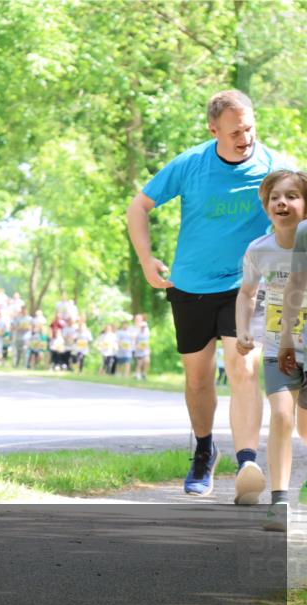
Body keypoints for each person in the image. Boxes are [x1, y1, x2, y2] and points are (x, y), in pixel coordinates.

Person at [127, 89, 295, 498]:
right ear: (214, 129)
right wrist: (147, 260)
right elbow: (139, 207)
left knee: (245, 369)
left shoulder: (273, 167)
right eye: (235, 131)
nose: (245, 137)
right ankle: (204, 449)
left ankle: (247, 465)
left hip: (247, 285)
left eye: (250, 127)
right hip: (191, 285)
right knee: (198, 380)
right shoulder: (191, 164)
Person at [238, 170, 307, 526]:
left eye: (293, 195)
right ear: (266, 207)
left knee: (305, 427)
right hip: (276, 346)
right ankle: (280, 500)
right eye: (275, 197)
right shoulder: (259, 250)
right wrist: (242, 331)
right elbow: (246, 294)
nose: (283, 202)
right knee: (281, 415)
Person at [133, 315, 151, 380]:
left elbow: (148, 339)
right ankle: (137, 374)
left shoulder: (146, 329)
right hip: (138, 348)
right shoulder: (135, 329)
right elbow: (134, 339)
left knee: (147, 361)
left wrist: (148, 346)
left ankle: (144, 373)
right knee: (139, 362)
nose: (143, 327)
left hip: (145, 348)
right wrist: (136, 346)